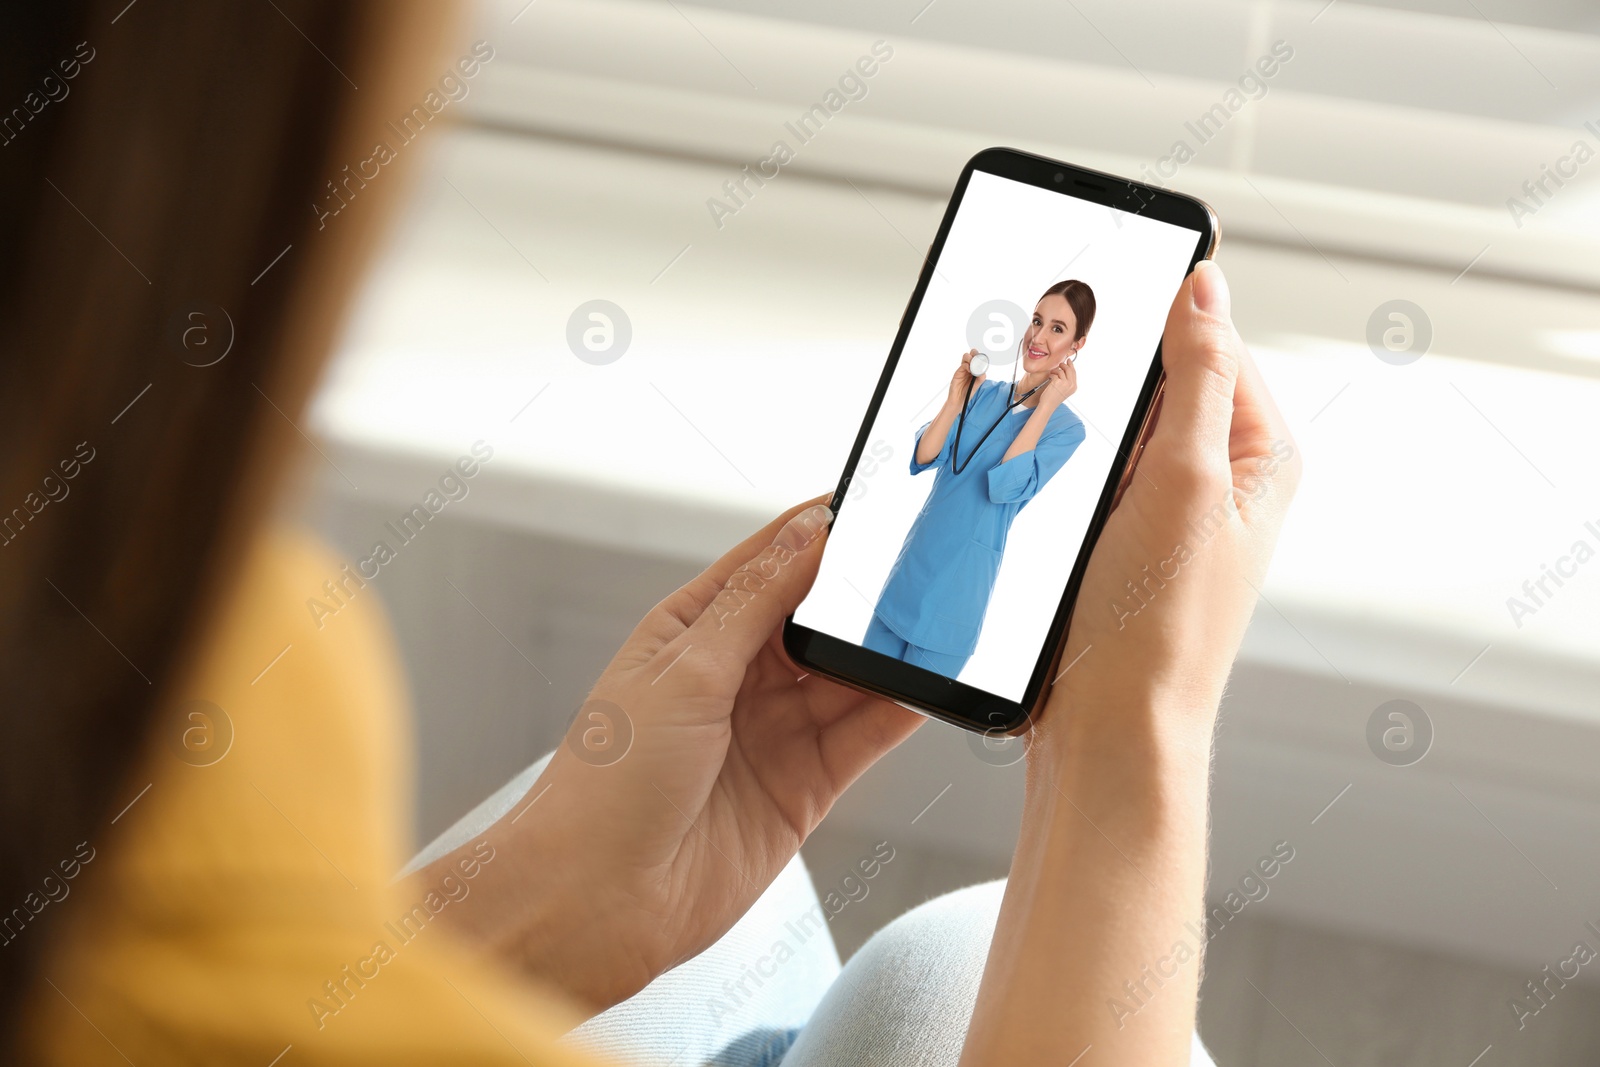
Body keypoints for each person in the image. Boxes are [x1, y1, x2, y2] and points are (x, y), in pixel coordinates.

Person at [0, 2, 1299, 1065]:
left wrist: (545, 897)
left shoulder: (184, 675)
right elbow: (922, 461)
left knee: (917, 947)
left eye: (1066, 332)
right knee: (954, 956)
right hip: (918, 565)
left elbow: (1012, 492)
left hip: (959, 576)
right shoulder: (203, 655)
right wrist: (1133, 740)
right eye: (1047, 326)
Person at [863, 280, 1095, 679]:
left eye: (1057, 329)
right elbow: (924, 456)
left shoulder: (1066, 429)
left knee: (887, 726)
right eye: (1036, 321)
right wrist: (956, 401)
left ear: (1078, 344)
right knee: (849, 692)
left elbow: (1005, 487)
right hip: (912, 572)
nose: (1038, 337)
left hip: (958, 595)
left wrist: (1047, 405)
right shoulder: (985, 393)